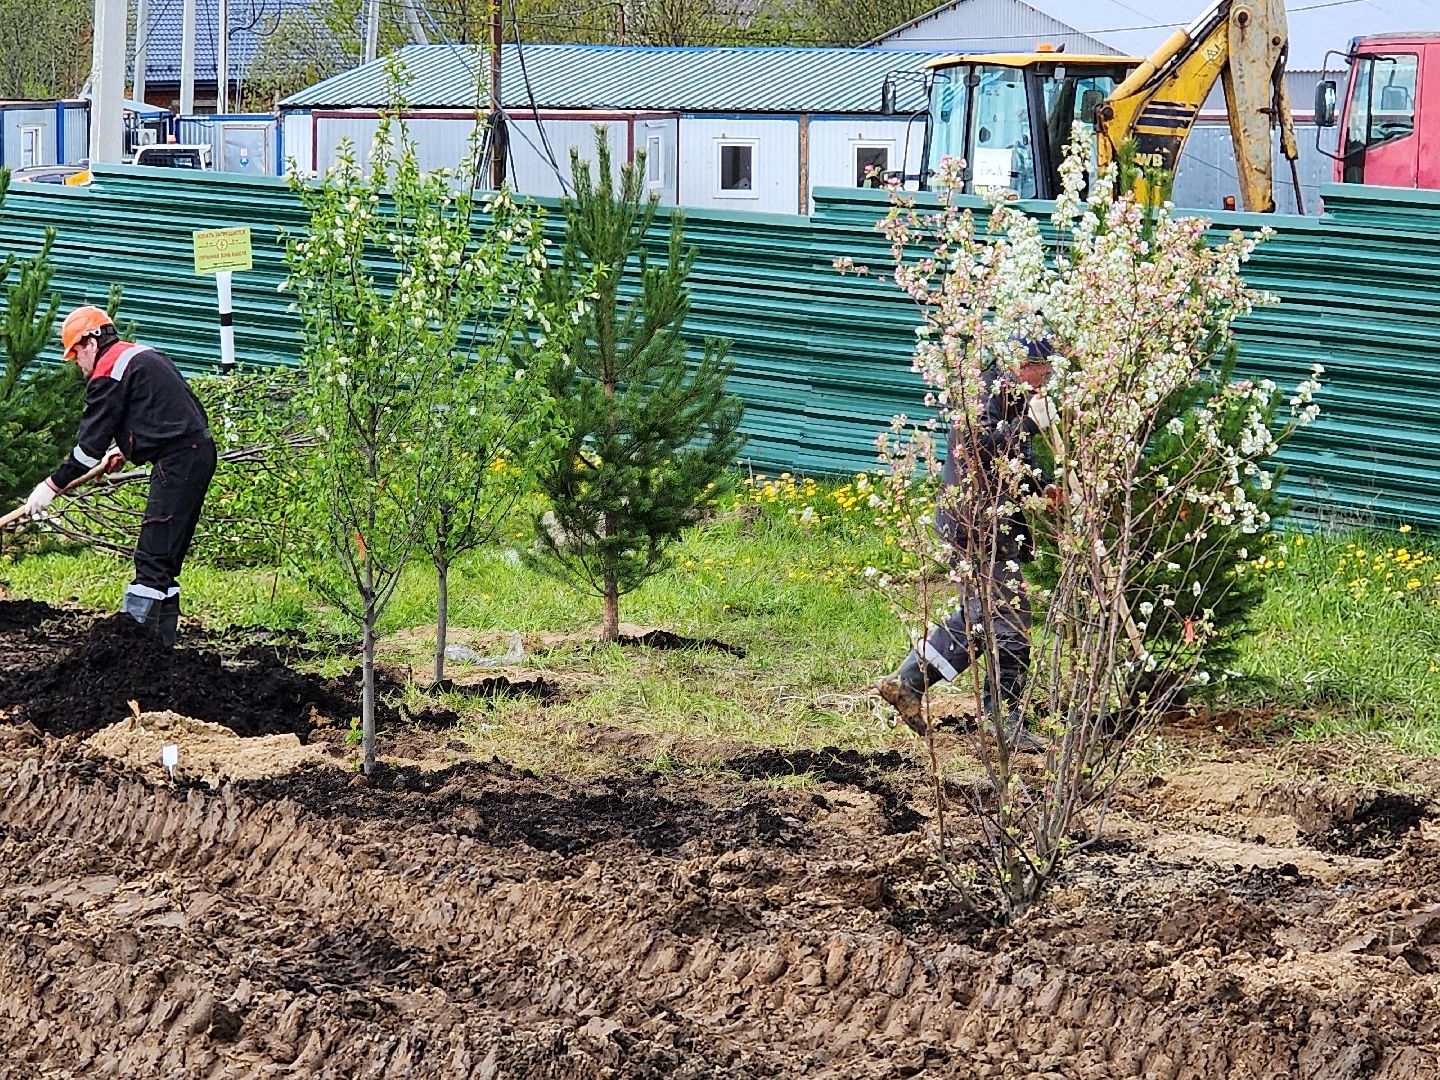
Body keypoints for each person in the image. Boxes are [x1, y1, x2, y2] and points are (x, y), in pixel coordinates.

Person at [877, 339, 1056, 751]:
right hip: (974, 526)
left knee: (982, 620)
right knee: (1009, 621)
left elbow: (1015, 463)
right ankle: (1003, 723)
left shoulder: (1013, 397)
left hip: (994, 525)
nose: (1046, 379)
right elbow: (985, 448)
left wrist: (1042, 487)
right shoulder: (982, 393)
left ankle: (906, 683)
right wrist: (1031, 422)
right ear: (1019, 363)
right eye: (1042, 370)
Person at [24, 306, 215, 647]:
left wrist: (50, 486)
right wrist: (126, 449)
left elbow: (87, 450)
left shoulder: (109, 371)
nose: (77, 364)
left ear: (92, 342)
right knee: (164, 560)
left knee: (152, 558)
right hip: (194, 453)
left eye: (77, 354)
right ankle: (160, 652)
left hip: (179, 461)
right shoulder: (142, 355)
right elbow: (161, 411)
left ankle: (130, 653)